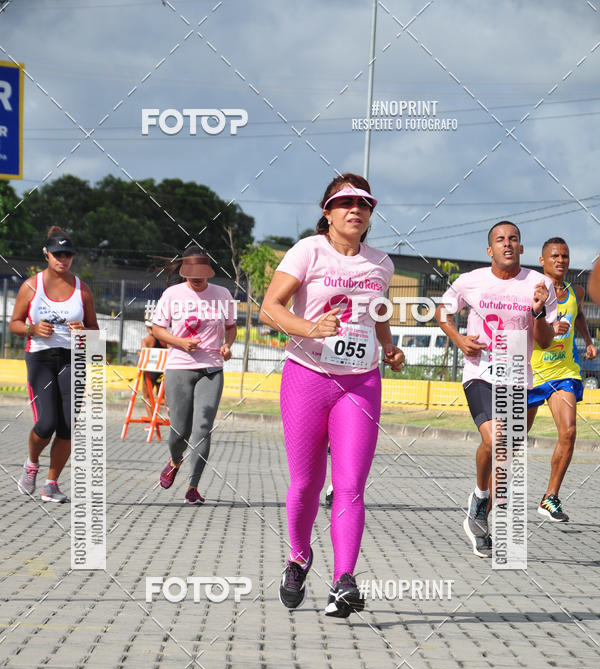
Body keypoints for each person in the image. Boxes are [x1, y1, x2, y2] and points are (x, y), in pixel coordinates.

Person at [260, 173, 405, 618]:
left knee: (350, 487)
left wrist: (389, 347)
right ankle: (299, 558)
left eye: (363, 203)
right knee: (306, 483)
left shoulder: (381, 263)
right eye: (344, 203)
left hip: (361, 382)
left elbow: (378, 314)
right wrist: (310, 328)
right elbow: (270, 309)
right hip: (308, 375)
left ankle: (344, 581)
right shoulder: (308, 250)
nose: (355, 210)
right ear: (327, 211)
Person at [435, 221, 557, 557]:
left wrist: (539, 311)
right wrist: (460, 340)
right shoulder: (470, 281)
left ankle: (479, 514)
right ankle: (481, 495)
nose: (507, 244)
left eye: (513, 239)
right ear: (490, 250)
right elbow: (443, 312)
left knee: (505, 454)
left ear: (521, 247)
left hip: (518, 375)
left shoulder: (540, 284)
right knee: (495, 439)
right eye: (500, 240)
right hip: (480, 372)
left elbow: (545, 342)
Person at [10, 226, 98, 502]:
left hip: (73, 359)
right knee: (46, 423)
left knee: (69, 425)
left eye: (68, 254)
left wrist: (82, 328)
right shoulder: (31, 286)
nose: (63, 258)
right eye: (57, 253)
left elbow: (94, 331)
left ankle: (52, 484)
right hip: (41, 358)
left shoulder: (82, 290)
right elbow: (13, 323)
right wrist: (32, 329)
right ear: (46, 254)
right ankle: (32, 463)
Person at [151, 246, 237, 505]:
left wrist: (227, 345)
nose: (197, 279)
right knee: (179, 431)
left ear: (209, 272)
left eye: (201, 274)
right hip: (179, 367)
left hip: (212, 369)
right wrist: (179, 342)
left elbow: (231, 327)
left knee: (203, 427)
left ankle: (193, 487)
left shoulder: (222, 294)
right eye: (191, 275)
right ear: (184, 272)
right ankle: (175, 461)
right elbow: (157, 329)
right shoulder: (172, 294)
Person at [528, 238, 597, 522]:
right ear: (542, 260)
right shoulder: (532, 291)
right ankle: (491, 496)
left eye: (565, 256)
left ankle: (550, 497)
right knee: (513, 440)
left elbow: (578, 314)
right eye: (555, 256)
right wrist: (547, 326)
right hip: (531, 372)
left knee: (568, 433)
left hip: (564, 372)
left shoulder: (575, 291)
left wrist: (588, 341)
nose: (561, 260)